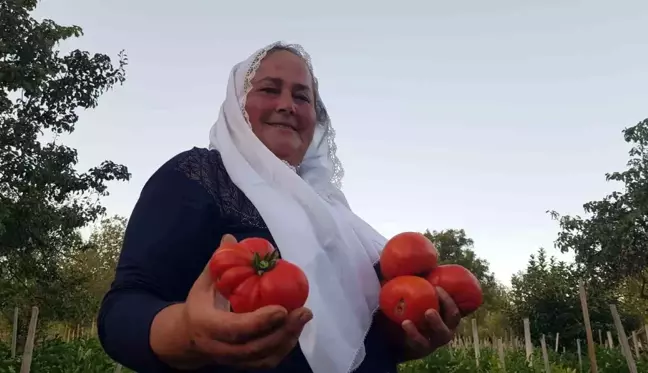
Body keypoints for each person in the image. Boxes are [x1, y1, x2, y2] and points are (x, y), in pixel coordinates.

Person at [97, 42, 462, 373]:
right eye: (270, 89)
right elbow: (122, 311)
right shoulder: (199, 176)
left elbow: (357, 339)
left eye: (302, 97)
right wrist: (188, 333)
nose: (287, 104)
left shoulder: (335, 213)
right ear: (237, 106)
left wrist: (408, 336)